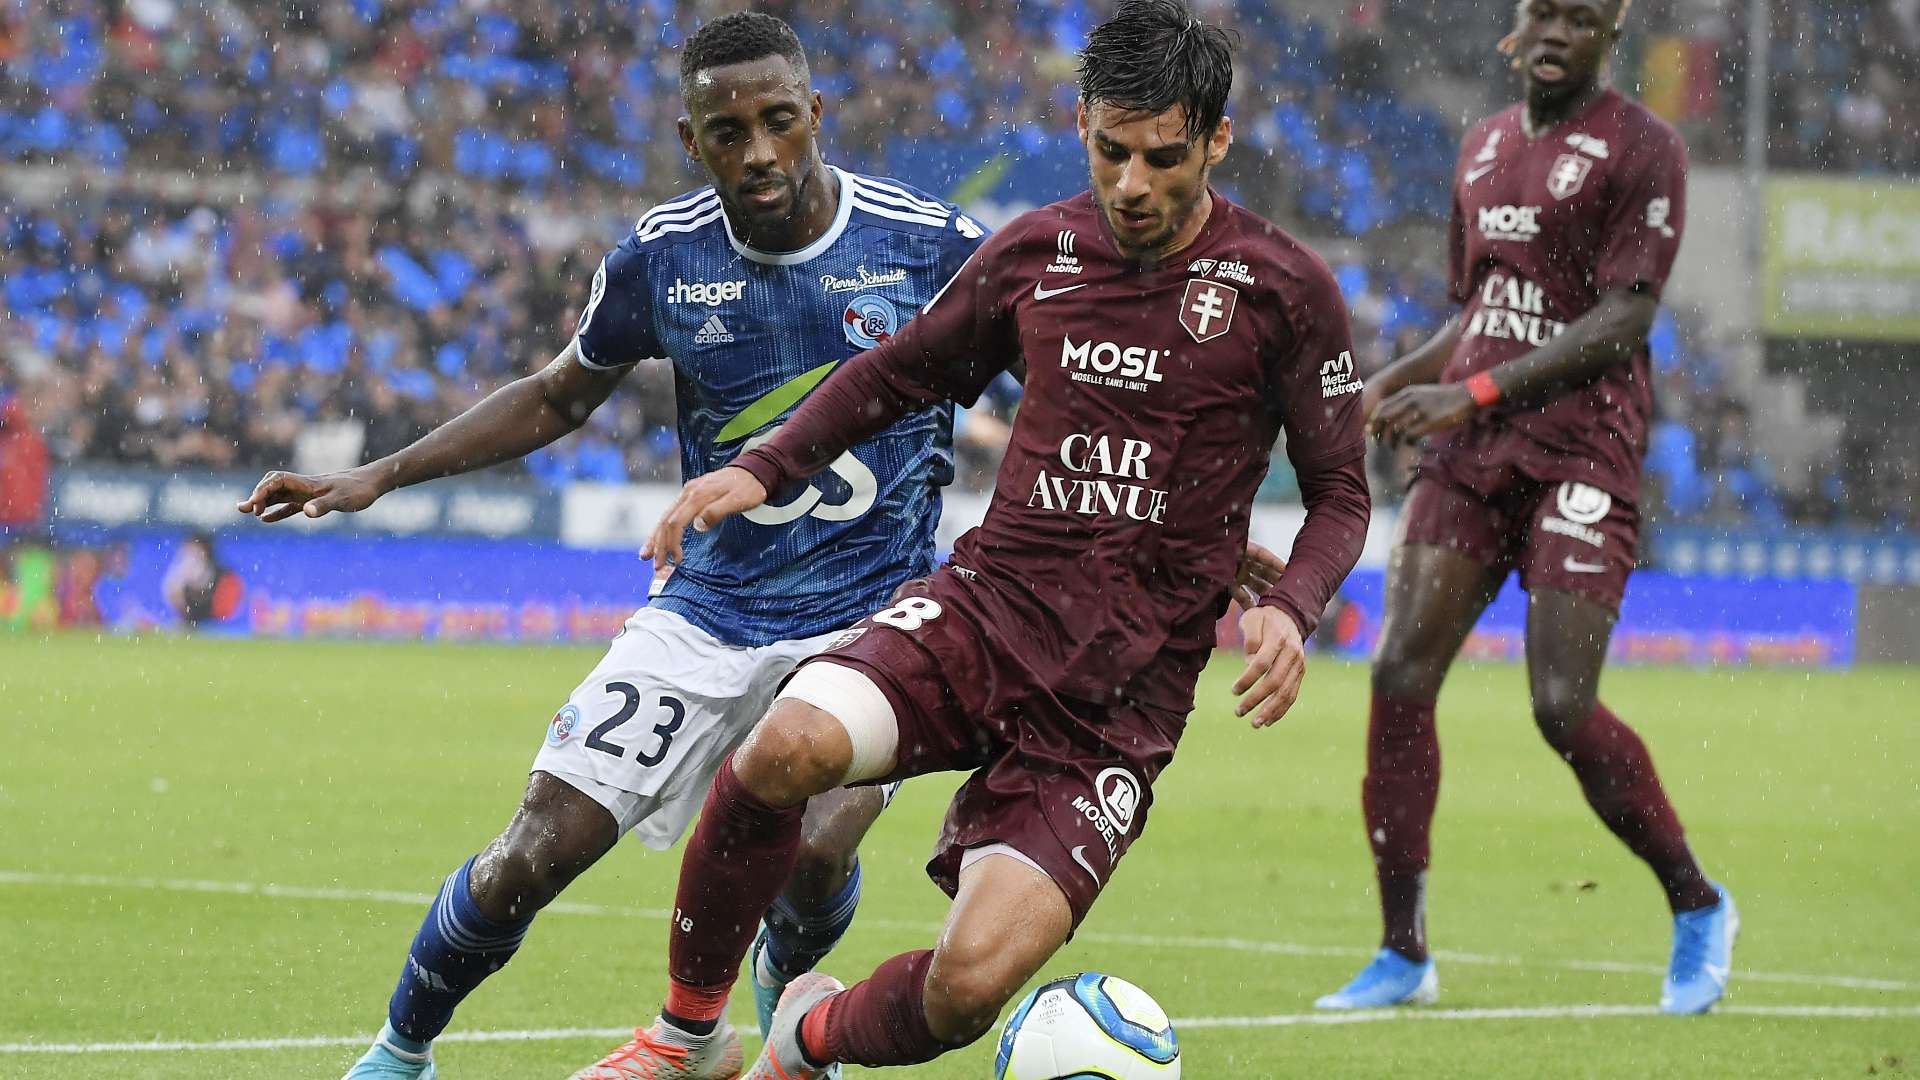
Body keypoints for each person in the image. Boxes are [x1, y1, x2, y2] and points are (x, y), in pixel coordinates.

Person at [615, 3, 1370, 1075]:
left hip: (1118, 699)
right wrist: (763, 465)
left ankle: (803, 1038)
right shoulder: (1034, 251)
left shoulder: (1286, 289)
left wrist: (1293, 605)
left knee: (965, 989)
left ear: (1217, 139)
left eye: (1162, 158)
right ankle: (687, 1034)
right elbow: (899, 371)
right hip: (985, 615)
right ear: (1081, 126)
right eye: (1111, 151)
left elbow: (1341, 491)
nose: (1131, 184)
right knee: (782, 750)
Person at [238, 14, 994, 1079]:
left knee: (816, 846)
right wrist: (382, 473)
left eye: (779, 121)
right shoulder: (663, 257)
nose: (759, 152)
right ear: (692, 140)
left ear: (817, 113)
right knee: (529, 855)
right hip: (708, 611)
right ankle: (399, 1053)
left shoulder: (935, 248)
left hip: (869, 618)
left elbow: (1049, 386)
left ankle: (776, 1004)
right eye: (727, 132)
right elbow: (559, 397)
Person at [1314, 0, 1737, 1016]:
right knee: (1400, 671)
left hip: (1584, 444)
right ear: (1517, 22)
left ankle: (1698, 902)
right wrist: (1387, 383)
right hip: (1476, 448)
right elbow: (1480, 316)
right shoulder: (1484, 145)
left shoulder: (1646, 149)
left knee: (1559, 703)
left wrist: (1471, 393)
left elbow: (1624, 318)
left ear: (1610, 36)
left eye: (1578, 19)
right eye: (1542, 11)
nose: (1554, 32)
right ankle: (1403, 953)